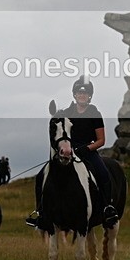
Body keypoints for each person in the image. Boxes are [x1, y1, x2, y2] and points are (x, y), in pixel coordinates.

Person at [26, 76, 119, 230]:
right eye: (79, 93)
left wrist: (87, 148)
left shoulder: (94, 113)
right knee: (41, 176)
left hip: (88, 151)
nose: (82, 96)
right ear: (74, 95)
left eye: (85, 93)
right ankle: (41, 212)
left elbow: (101, 140)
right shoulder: (67, 112)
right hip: (68, 151)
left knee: (103, 174)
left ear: (89, 96)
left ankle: (107, 208)